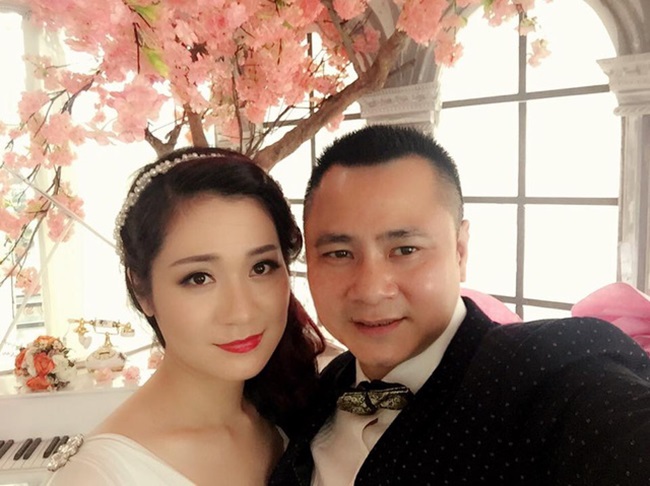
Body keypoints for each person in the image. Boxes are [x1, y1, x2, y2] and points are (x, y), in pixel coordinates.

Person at [270, 124, 650, 485]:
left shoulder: (549, 370)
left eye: (406, 249)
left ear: (460, 250)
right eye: (339, 253)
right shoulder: (317, 393)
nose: (370, 290)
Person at [45, 146, 324, 485]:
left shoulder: (289, 410)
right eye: (199, 278)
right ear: (142, 290)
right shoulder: (98, 477)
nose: (241, 311)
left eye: (261, 267)